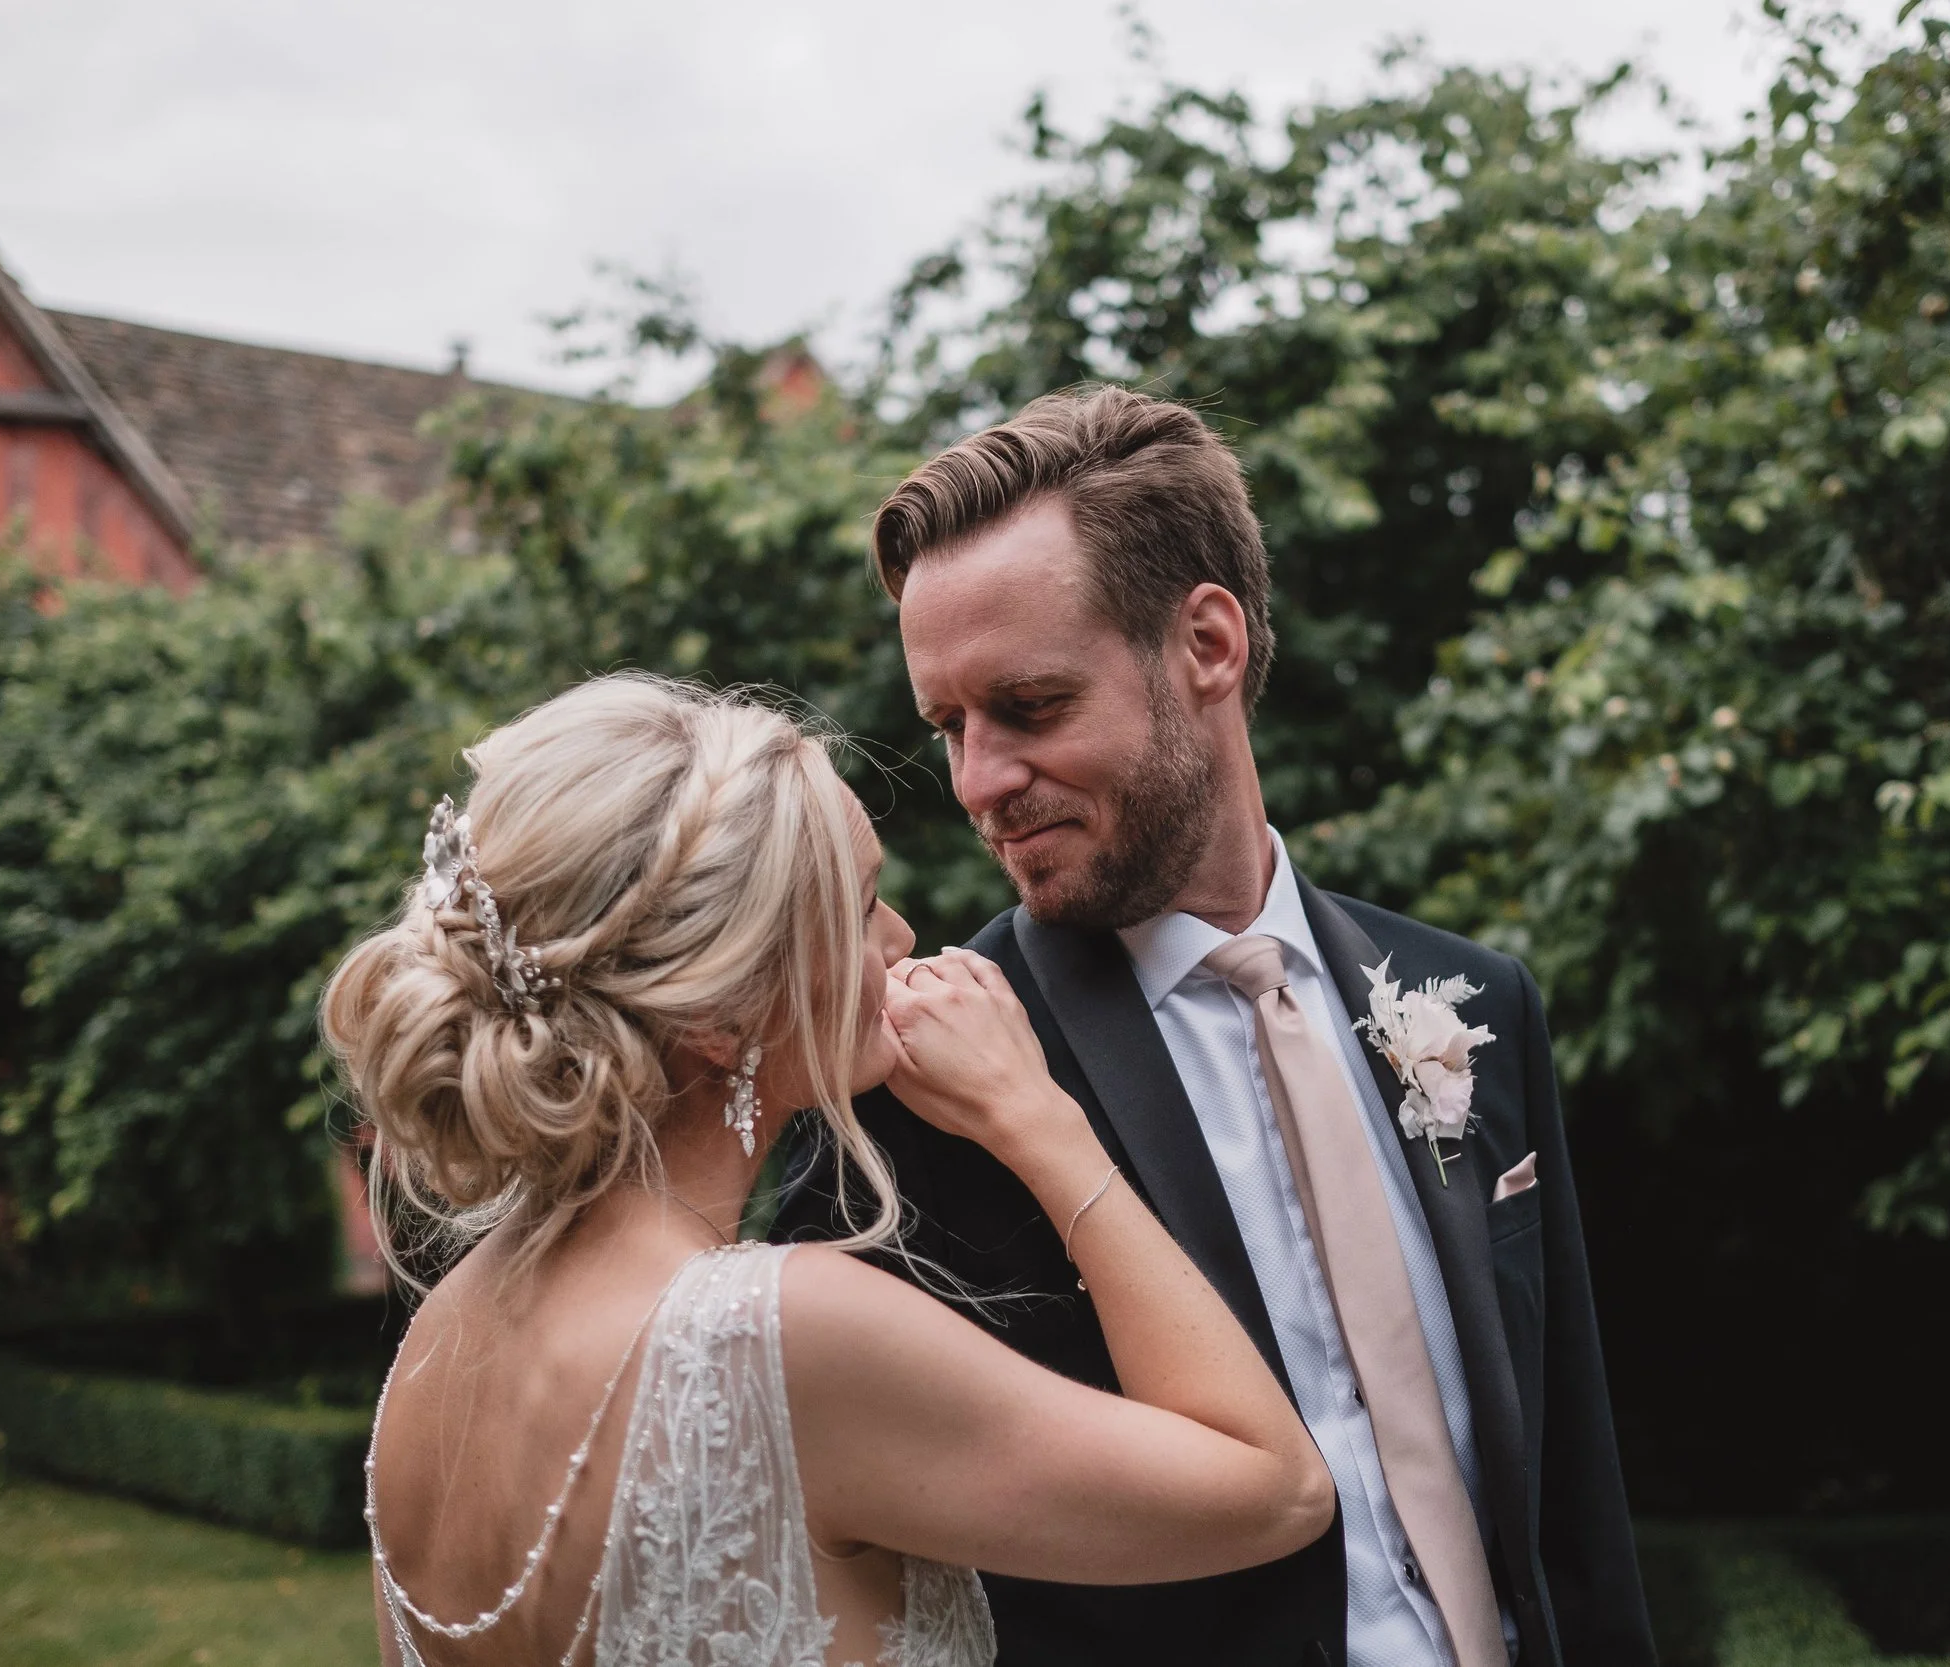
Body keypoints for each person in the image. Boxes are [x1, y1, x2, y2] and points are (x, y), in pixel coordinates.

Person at [777, 387, 1656, 1667]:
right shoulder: (913, 1075)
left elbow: (1571, 1474)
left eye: (1029, 705)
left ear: (1206, 642)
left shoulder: (1475, 999)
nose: (977, 781)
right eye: (948, 726)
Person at [324, 675, 1335, 1667]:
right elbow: (1275, 1489)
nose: (899, 937)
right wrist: (1042, 1127)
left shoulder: (437, 1344)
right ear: (720, 1016)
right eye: (859, 908)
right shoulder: (775, 1333)